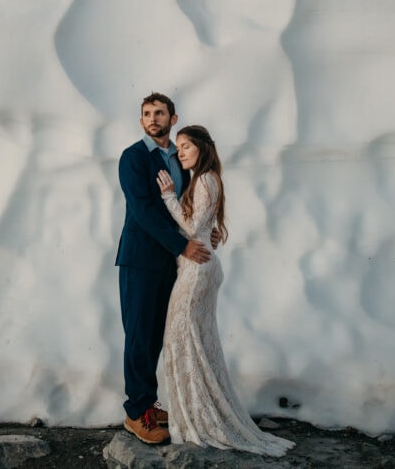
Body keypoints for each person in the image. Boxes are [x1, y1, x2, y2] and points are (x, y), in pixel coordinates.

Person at [156, 125, 295, 457]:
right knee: (196, 340)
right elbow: (204, 227)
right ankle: (203, 414)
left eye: (187, 146)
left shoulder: (204, 180)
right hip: (200, 266)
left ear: (203, 148)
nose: (181, 152)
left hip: (197, 270)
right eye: (178, 147)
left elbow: (190, 228)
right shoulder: (205, 181)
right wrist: (206, 230)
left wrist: (168, 196)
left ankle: (200, 419)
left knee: (180, 338)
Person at [116, 93, 214, 444]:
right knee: (140, 335)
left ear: (173, 119)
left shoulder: (181, 156)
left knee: (158, 335)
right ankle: (135, 413)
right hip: (141, 260)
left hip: (172, 263)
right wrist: (183, 245)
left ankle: (148, 402)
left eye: (159, 113)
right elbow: (143, 211)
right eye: (146, 114)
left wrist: (202, 230)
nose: (152, 118)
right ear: (141, 120)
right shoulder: (133, 157)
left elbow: (184, 206)